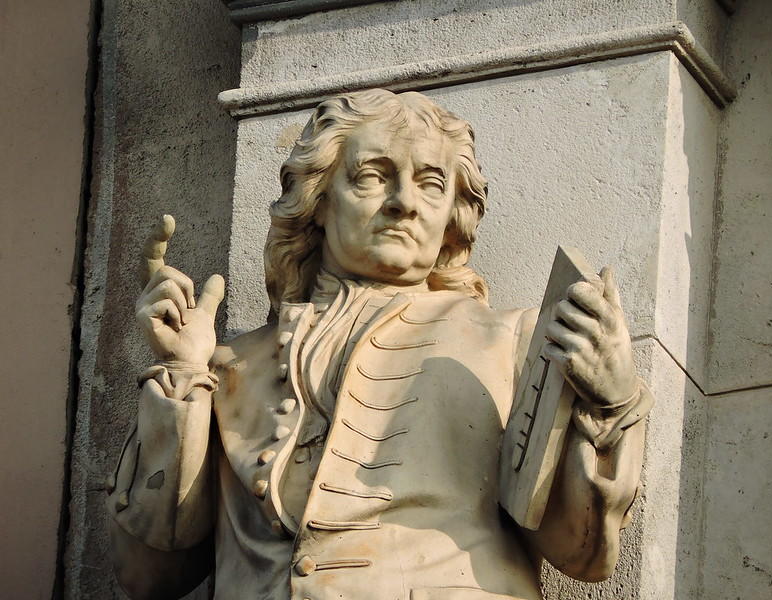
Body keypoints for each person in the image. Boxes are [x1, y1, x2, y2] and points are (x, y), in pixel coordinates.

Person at [108, 88, 653, 600]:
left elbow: (581, 553)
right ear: (318, 200)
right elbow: (148, 578)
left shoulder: (511, 340)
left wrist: (611, 404)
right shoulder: (228, 366)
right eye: (373, 176)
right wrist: (180, 375)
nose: (404, 203)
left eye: (432, 184)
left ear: (452, 217)